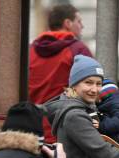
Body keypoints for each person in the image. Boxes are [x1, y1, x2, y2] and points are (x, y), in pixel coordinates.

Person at [29, 3, 92, 144]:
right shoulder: (78, 50)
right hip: (63, 128)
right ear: (68, 23)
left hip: (32, 126)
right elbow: (88, 90)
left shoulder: (31, 49)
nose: (82, 26)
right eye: (79, 21)